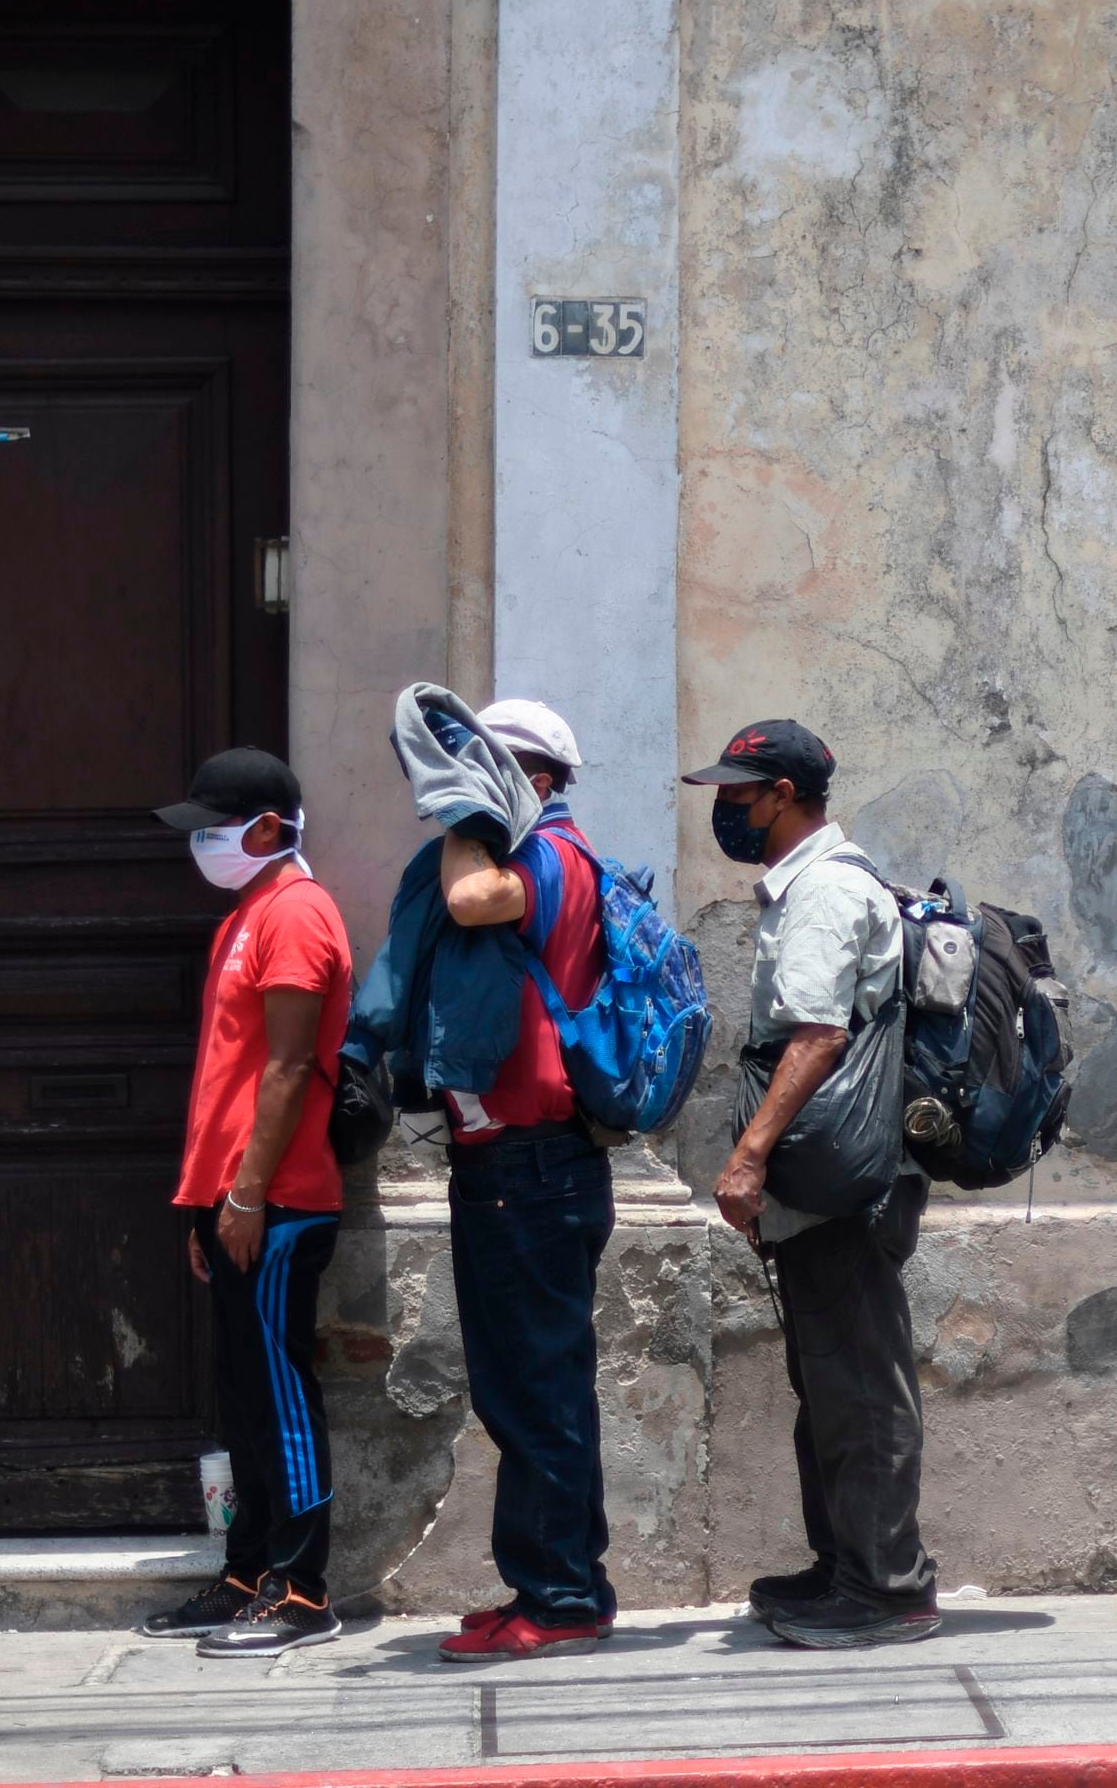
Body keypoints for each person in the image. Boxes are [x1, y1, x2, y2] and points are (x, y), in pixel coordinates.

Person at [683, 719, 940, 1648]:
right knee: (831, 1381)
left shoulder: (825, 890)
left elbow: (820, 1036)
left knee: (862, 1386)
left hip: (845, 1184)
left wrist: (750, 1155)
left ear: (783, 795)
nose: (725, 808)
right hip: (831, 1178)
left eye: (738, 792)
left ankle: (888, 1587)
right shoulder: (811, 885)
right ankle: (843, 1567)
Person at [140, 749, 355, 1659]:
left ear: (267, 828)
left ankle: (303, 1592)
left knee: (280, 1396)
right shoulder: (246, 916)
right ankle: (247, 1574)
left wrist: (246, 1194)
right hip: (233, 1200)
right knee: (243, 1396)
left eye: (212, 829)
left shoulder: (297, 913)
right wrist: (207, 1203)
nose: (201, 846)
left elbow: (290, 1065)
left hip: (277, 1200)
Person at [433, 702, 621, 1662]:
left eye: (484, 768)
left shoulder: (545, 856)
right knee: (534, 1387)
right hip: (525, 1164)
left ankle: (559, 1598)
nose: (464, 784)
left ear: (533, 780)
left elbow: (468, 900)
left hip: (529, 1165)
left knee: (535, 1390)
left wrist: (462, 817)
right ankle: (563, 1583)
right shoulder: (545, 854)